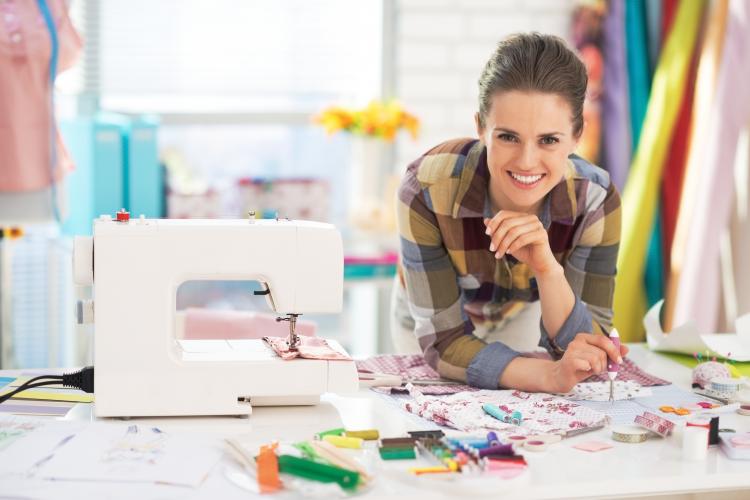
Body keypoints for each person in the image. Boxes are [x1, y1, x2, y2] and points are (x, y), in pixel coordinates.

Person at [394, 33, 628, 394]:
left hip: (521, 312)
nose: (526, 161)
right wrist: (548, 376)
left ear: (577, 136)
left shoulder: (595, 200)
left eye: (549, 140)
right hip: (429, 323)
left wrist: (547, 268)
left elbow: (587, 346)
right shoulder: (426, 189)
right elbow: (444, 343)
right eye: (508, 137)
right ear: (481, 128)